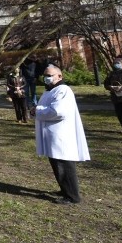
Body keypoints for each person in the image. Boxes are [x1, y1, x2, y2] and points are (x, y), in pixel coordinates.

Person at [34, 64, 90, 205]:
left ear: (59, 76)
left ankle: (72, 195)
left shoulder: (63, 90)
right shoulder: (50, 91)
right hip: (52, 133)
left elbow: (58, 112)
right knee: (56, 164)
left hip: (61, 134)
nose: (46, 78)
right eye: (45, 75)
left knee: (63, 165)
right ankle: (65, 189)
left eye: (49, 75)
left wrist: (37, 110)